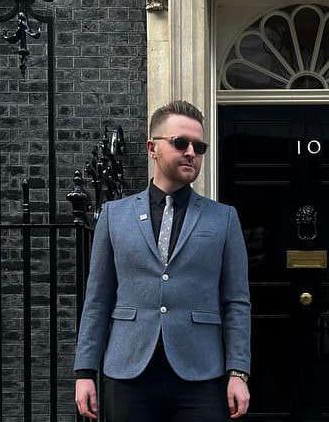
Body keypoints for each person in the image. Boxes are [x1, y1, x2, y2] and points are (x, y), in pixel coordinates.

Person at [73, 100, 251, 421]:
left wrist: (238, 372)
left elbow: (236, 301)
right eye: (181, 142)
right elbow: (97, 298)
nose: (191, 152)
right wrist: (85, 371)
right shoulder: (115, 216)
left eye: (199, 146)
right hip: (129, 371)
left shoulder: (223, 219)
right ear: (152, 148)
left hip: (201, 373)